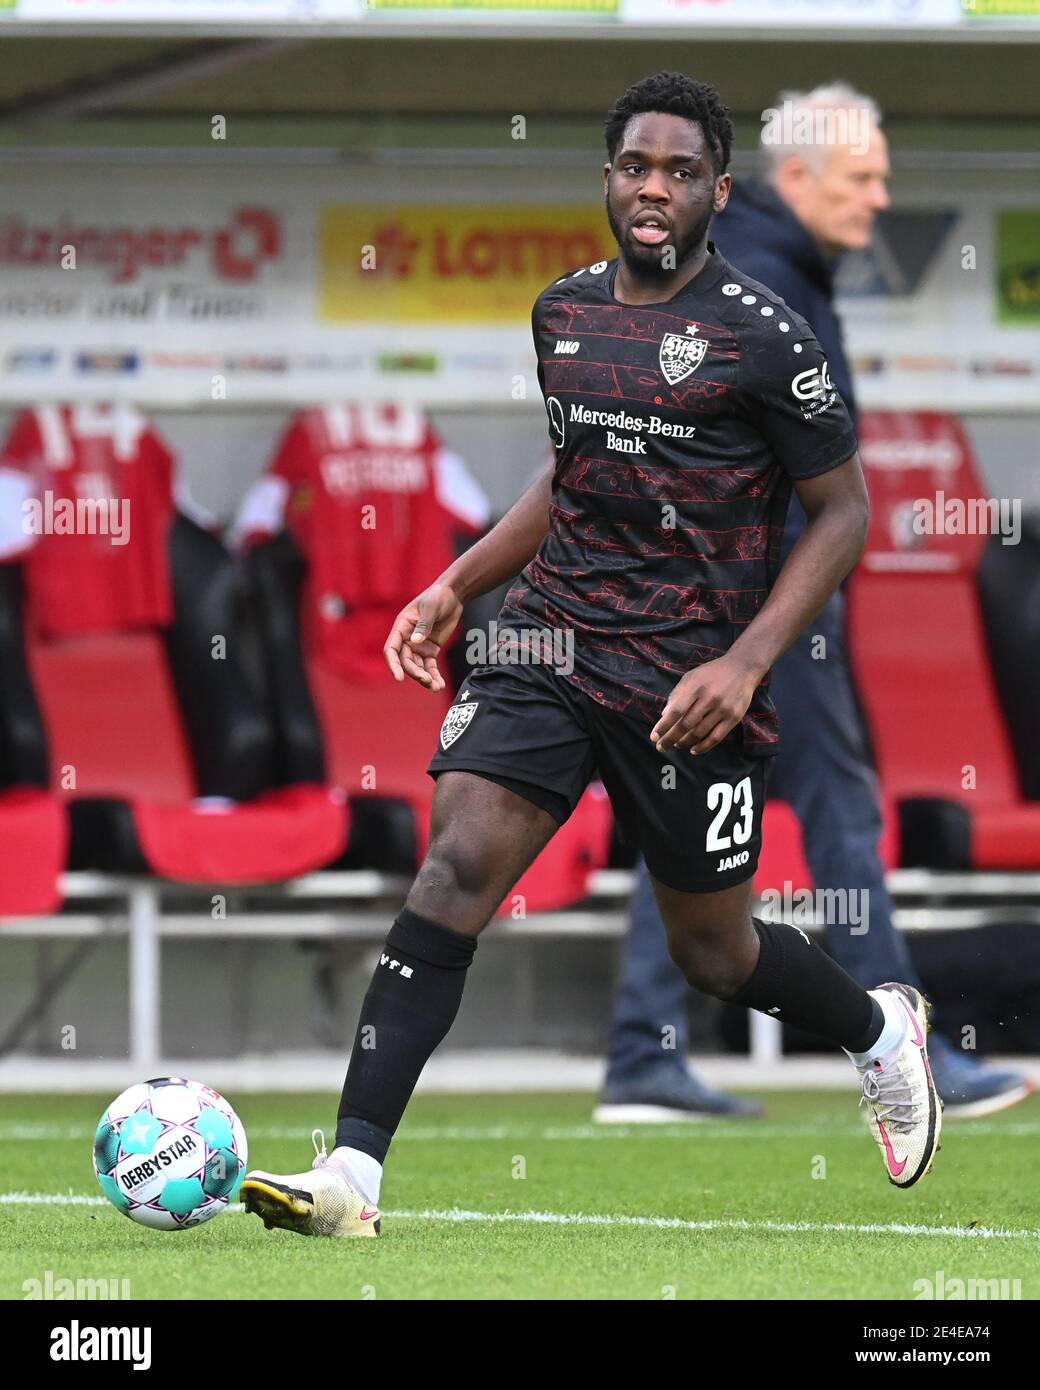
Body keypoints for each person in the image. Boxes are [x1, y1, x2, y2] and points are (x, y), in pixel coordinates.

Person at [240, 71, 943, 1239]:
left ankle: (878, 1031)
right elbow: (571, 473)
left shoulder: (766, 335)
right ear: (606, 180)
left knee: (713, 951)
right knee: (454, 868)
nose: (653, 188)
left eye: (678, 171)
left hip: (689, 681)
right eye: (634, 167)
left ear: (718, 191)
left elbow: (841, 515)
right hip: (549, 638)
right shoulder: (562, 312)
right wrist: (459, 582)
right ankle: (350, 1178)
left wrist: (746, 664)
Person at [598, 83, 1030, 1124]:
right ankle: (903, 1046)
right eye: (861, 176)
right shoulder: (756, 277)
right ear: (793, 179)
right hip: (755, 603)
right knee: (839, 807)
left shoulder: (763, 264)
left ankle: (640, 1056)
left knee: (690, 817)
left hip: (715, 600)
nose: (880, 196)